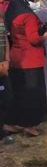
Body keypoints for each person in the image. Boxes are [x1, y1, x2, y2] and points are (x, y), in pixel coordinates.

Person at [4, 0, 47, 137]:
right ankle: (29, 125)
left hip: (16, 56)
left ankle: (10, 122)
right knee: (32, 94)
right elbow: (34, 39)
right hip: (31, 59)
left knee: (16, 92)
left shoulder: (12, 12)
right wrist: (45, 35)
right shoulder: (28, 16)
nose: (36, 0)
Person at [0, 10, 14, 145]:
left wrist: (6, 60)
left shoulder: (1, 16)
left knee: (5, 99)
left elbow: (5, 39)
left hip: (3, 66)